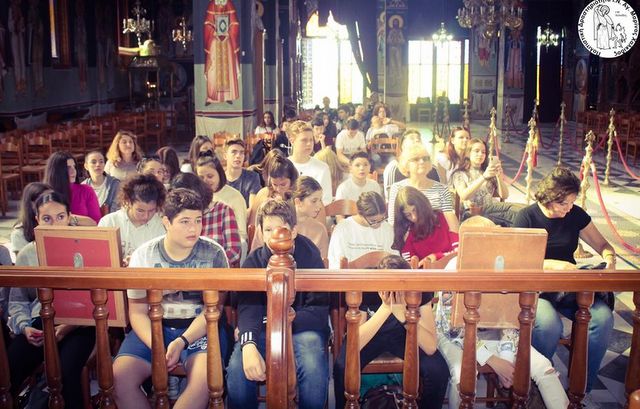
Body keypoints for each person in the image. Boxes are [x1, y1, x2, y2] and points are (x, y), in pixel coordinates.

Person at [113, 188, 230, 409]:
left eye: (198, 220)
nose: (193, 228)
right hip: (153, 327)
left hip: (201, 328)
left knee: (204, 382)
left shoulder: (214, 253)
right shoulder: (144, 255)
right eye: (185, 221)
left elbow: (214, 310)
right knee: (118, 379)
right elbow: (137, 312)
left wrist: (182, 341)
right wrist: (158, 344)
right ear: (166, 222)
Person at [436, 216, 569, 409]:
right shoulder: (453, 269)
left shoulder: (506, 266)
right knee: (462, 376)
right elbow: (451, 328)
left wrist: (506, 358)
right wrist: (492, 361)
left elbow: (514, 318)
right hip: (454, 337)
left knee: (544, 368)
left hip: (496, 334)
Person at [513, 166, 616, 395]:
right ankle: (537, 386)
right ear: (549, 197)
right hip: (537, 288)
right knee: (549, 325)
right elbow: (517, 262)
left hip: (568, 287)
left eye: (572, 202)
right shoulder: (526, 217)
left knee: (602, 319)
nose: (569, 208)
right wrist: (552, 264)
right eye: (564, 203)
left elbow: (603, 245)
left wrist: (609, 258)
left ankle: (581, 388)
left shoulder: (575, 215)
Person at [226, 199, 329, 409]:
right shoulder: (254, 261)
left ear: (294, 231)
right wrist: (248, 344)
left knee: (312, 365)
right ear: (261, 232)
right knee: (237, 367)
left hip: (303, 329)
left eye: (281, 229)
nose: (274, 235)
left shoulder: (310, 256)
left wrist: (279, 320)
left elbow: (318, 312)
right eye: (268, 229)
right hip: (263, 330)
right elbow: (248, 309)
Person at [8, 191, 96, 409]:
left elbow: (96, 299)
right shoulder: (28, 253)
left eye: (60, 217)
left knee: (67, 371)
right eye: (47, 218)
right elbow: (18, 300)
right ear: (37, 220)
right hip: (41, 322)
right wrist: (24, 327)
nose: (55, 224)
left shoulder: (85, 248)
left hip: (81, 323)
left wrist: (66, 328)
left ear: (69, 217)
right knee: (11, 364)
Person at [334, 255, 449, 409]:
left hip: (405, 333)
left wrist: (401, 314)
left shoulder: (418, 287)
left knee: (438, 369)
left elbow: (430, 347)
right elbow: (355, 343)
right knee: (342, 366)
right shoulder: (368, 284)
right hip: (372, 333)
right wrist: (386, 308)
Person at [172, 172, 241, 267]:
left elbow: (234, 251)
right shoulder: (175, 216)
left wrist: (208, 265)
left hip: (216, 271)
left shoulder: (223, 210)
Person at [451, 138, 523, 226]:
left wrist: (499, 177)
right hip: (472, 213)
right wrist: (484, 177)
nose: (480, 154)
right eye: (476, 151)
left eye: (483, 152)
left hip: (491, 210)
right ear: (468, 153)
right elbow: (464, 195)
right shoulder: (459, 174)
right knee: (518, 214)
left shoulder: (488, 172)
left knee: (521, 210)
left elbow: (504, 195)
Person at [387, 143, 458, 230]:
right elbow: (393, 222)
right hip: (407, 236)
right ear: (406, 164)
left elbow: (451, 223)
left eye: (425, 158)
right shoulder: (397, 188)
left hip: (435, 235)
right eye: (416, 159)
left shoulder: (442, 189)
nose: (422, 162)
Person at [98, 174, 167, 263]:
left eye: (151, 211)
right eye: (140, 211)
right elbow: (99, 258)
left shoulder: (161, 226)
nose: (146, 216)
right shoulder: (109, 222)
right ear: (128, 202)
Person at [328, 191, 396, 269]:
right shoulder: (343, 228)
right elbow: (335, 263)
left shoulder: (387, 229)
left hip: (379, 275)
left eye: (382, 219)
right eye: (373, 221)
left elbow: (394, 261)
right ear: (360, 214)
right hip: (350, 275)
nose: (378, 224)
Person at [392, 186, 458, 262]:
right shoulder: (407, 232)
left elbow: (458, 252)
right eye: (408, 215)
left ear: (422, 205)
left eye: (415, 210)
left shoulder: (447, 218)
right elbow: (409, 264)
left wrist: (436, 256)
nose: (414, 217)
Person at [196, 151, 248, 245]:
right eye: (201, 178)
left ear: (220, 174)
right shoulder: (195, 197)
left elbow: (241, 234)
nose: (205, 181)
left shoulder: (235, 197)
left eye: (210, 176)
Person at [45, 151, 102, 223]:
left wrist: (69, 218)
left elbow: (97, 223)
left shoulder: (86, 190)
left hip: (85, 230)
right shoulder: (45, 194)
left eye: (74, 167)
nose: (73, 171)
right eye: (68, 168)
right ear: (57, 171)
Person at [382, 129, 439, 201]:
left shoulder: (432, 168)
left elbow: (439, 193)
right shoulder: (393, 168)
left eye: (419, 139)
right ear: (402, 146)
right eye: (412, 138)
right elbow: (391, 199)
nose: (416, 140)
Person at [287, 120, 332, 205]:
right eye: (304, 140)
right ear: (292, 141)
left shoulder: (322, 168)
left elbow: (326, 201)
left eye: (311, 140)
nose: (309, 144)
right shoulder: (284, 166)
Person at [203, 0, 239, 104]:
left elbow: (235, 23)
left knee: (227, 67)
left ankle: (228, 96)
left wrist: (228, 32)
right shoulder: (212, 4)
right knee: (213, 68)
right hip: (214, 41)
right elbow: (207, 24)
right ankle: (212, 96)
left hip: (227, 41)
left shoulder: (229, 3)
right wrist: (214, 31)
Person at [224, 139, 261, 208]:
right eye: (234, 152)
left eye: (241, 153)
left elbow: (252, 209)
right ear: (225, 156)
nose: (238, 156)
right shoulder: (219, 178)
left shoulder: (253, 177)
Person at [82, 150, 121, 214]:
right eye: (93, 162)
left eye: (101, 162)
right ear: (86, 166)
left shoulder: (115, 184)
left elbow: (116, 210)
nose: (98, 165)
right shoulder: (83, 187)